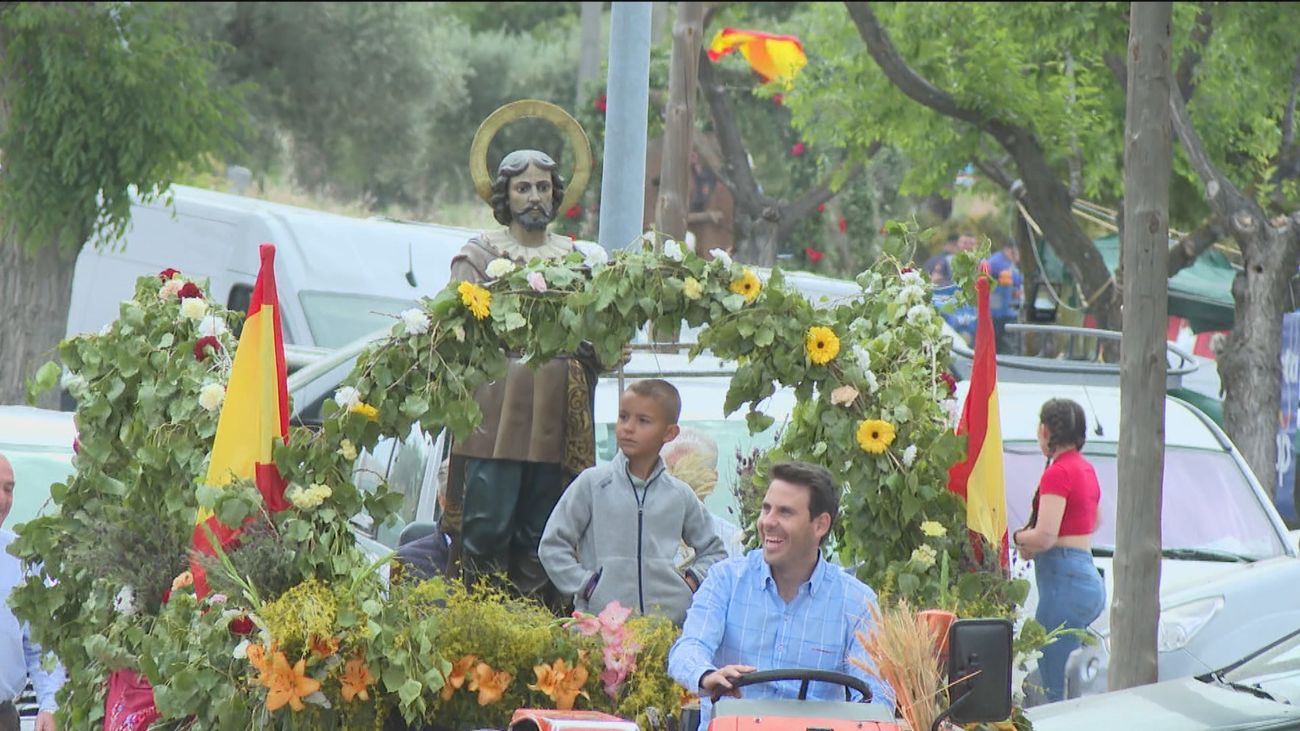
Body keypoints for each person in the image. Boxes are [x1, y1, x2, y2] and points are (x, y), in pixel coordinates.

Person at [444, 149, 608, 608]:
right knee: (488, 523)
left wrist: (600, 343)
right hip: (496, 411)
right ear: (504, 196)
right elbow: (456, 333)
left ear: (556, 194)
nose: (534, 197)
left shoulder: (578, 261)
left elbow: (596, 339)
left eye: (542, 187)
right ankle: (478, 619)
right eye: (522, 188)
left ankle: (532, 625)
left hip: (558, 413)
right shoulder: (477, 257)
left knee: (545, 529)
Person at [667, 462, 894, 731]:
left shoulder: (856, 602)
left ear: (820, 525)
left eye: (785, 512)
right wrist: (707, 675)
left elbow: (877, 697)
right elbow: (687, 648)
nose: (768, 522)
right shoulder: (725, 580)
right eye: (766, 509)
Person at [539, 380, 727, 624]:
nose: (628, 428)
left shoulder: (679, 495)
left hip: (665, 632)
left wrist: (690, 583)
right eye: (623, 417)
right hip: (600, 631)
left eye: (643, 421)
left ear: (669, 433)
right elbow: (552, 546)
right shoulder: (592, 484)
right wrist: (588, 586)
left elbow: (715, 551)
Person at [1012, 399, 1105, 704]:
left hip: (1063, 581)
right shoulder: (1085, 468)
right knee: (1071, 678)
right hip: (1086, 575)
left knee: (1054, 683)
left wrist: (1017, 537)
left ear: (1045, 430)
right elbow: (1095, 520)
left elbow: (1047, 535)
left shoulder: (1058, 472)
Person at [1, 453, 64, 731]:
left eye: (8, 489)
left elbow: (40, 645)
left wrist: (49, 705)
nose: (4, 500)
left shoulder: (21, 556)